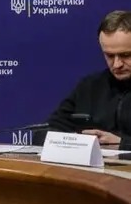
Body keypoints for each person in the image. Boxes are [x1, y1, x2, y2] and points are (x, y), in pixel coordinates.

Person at [43, 10, 131, 149]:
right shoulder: (90, 86)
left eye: (125, 55)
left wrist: (123, 144)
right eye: (109, 56)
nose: (116, 64)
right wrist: (77, 141)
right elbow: (49, 131)